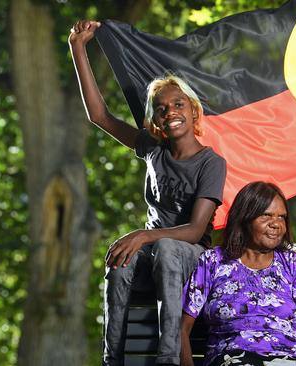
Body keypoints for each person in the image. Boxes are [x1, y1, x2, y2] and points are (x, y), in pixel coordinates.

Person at [69, 20, 227, 366]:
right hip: (154, 253)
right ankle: (112, 359)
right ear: (155, 119)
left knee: (168, 247)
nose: (171, 112)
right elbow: (100, 116)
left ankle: (167, 359)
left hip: (192, 256)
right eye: (162, 108)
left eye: (178, 105)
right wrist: (78, 47)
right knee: (120, 257)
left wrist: (143, 235)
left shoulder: (211, 163)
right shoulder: (152, 149)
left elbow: (195, 231)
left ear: (193, 110)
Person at [181, 182, 296, 366]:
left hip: (290, 360)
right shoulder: (213, 261)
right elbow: (182, 329)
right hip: (233, 359)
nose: (276, 224)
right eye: (266, 215)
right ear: (245, 218)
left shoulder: (294, 264)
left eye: (282, 217)